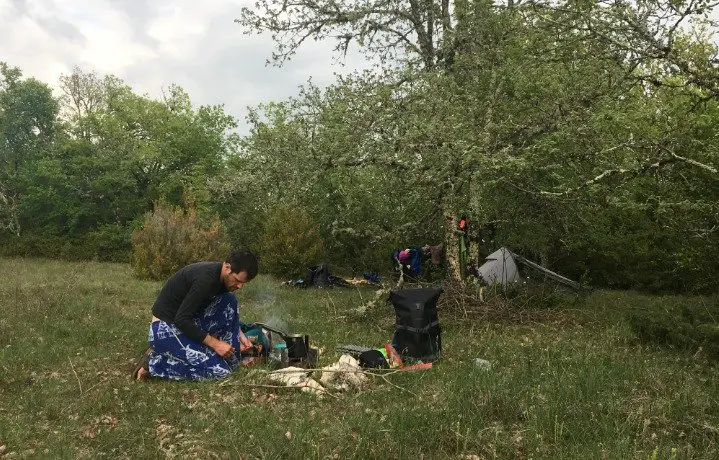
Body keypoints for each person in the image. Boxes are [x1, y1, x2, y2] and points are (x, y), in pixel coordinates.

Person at [133, 249, 259, 381]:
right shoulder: (205, 280)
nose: (240, 286)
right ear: (228, 268)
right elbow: (181, 320)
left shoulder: (222, 279)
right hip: (165, 328)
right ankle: (154, 363)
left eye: (243, 283)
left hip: (187, 321)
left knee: (229, 300)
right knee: (222, 372)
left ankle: (224, 353)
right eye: (238, 280)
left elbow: (219, 309)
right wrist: (215, 344)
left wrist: (239, 333)